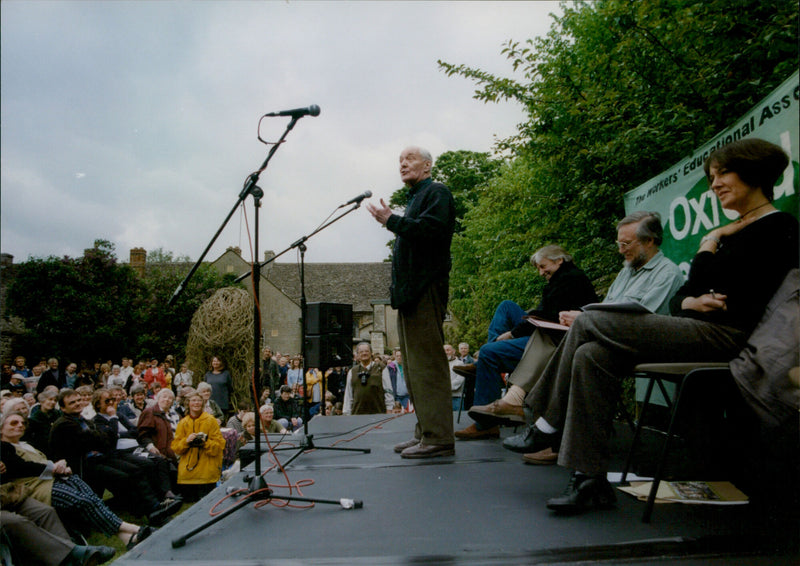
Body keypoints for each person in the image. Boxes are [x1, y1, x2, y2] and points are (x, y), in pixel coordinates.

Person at [528, 138, 799, 514]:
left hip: (732, 338)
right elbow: (684, 295)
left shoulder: (779, 226)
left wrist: (709, 243)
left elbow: (741, 298)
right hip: (699, 329)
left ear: (753, 174)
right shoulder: (737, 229)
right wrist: (693, 298)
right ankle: (588, 479)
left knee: (590, 321)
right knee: (592, 354)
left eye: (723, 174)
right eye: (711, 177)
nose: (715, 184)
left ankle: (542, 421)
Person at [499, 212, 686, 456]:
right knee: (586, 353)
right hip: (611, 342)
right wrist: (583, 315)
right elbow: (607, 305)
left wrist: (585, 317)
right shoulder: (626, 272)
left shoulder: (667, 273)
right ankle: (569, 449)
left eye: (626, 244)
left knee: (573, 332)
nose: (620, 250)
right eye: (619, 244)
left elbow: (642, 318)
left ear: (649, 241)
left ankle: (537, 416)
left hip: (645, 343)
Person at [366, 146, 456, 459]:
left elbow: (430, 233)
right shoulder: (416, 197)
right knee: (414, 368)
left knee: (428, 365)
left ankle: (439, 436)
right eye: (400, 160)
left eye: (410, 159)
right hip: (409, 294)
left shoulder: (438, 192)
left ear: (428, 165)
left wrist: (392, 220)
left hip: (424, 289)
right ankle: (425, 431)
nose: (403, 163)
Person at [454, 244, 599, 440]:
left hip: (552, 339)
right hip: (545, 331)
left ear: (559, 260)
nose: (540, 272)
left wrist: (512, 334)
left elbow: (546, 316)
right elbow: (543, 312)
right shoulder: (562, 279)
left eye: (542, 266)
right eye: (538, 268)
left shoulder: (569, 279)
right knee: (506, 307)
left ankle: (485, 424)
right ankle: (484, 362)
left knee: (489, 352)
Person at [1, 412, 154, 549]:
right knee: (83, 501)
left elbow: (44, 461)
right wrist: (53, 467)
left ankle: (126, 537)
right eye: (14, 423)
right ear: (1, 428)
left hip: (53, 479)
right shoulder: (4, 447)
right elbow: (21, 467)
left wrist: (60, 465)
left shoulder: (25, 444)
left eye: (22, 423)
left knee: (90, 497)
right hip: (35, 488)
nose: (20, 425)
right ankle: (133, 529)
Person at [0, 497, 116, 566]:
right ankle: (74, 555)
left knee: (45, 512)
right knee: (13, 522)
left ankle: (71, 556)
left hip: (7, 494)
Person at [172, 390, 225, 502]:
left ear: (203, 403)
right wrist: (186, 441)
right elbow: (176, 447)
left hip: (206, 472)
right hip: (188, 472)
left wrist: (204, 442)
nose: (196, 403)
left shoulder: (211, 421)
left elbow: (219, 445)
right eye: (193, 400)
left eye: (199, 400)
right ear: (188, 403)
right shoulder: (183, 422)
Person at [342, 342, 394, 415]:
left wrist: (389, 409)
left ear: (371, 353)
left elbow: (388, 390)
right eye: (361, 352)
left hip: (378, 412)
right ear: (358, 355)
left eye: (366, 351)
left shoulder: (381, 368)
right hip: (357, 413)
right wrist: (346, 412)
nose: (364, 353)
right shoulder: (352, 372)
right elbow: (348, 394)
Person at [24, 388, 61, 452]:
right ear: (42, 401)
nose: (53, 402)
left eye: (55, 400)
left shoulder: (58, 414)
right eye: (50, 399)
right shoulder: (34, 418)